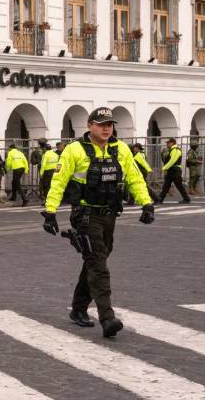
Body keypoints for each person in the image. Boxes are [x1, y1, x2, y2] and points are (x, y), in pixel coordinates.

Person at [42, 107, 154, 338]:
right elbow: (59, 181)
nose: (106, 128)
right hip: (85, 215)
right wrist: (50, 211)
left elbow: (134, 177)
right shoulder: (74, 150)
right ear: (89, 125)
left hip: (110, 214)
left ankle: (78, 309)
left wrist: (146, 203)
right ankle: (107, 317)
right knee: (98, 264)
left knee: (94, 260)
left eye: (110, 124)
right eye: (101, 124)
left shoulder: (120, 149)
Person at [158, 138, 192, 204]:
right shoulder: (172, 150)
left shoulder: (175, 150)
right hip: (172, 170)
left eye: (168, 143)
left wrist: (164, 168)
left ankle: (186, 199)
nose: (167, 144)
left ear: (172, 143)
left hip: (175, 170)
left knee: (175, 186)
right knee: (167, 185)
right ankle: (160, 199)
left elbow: (172, 161)